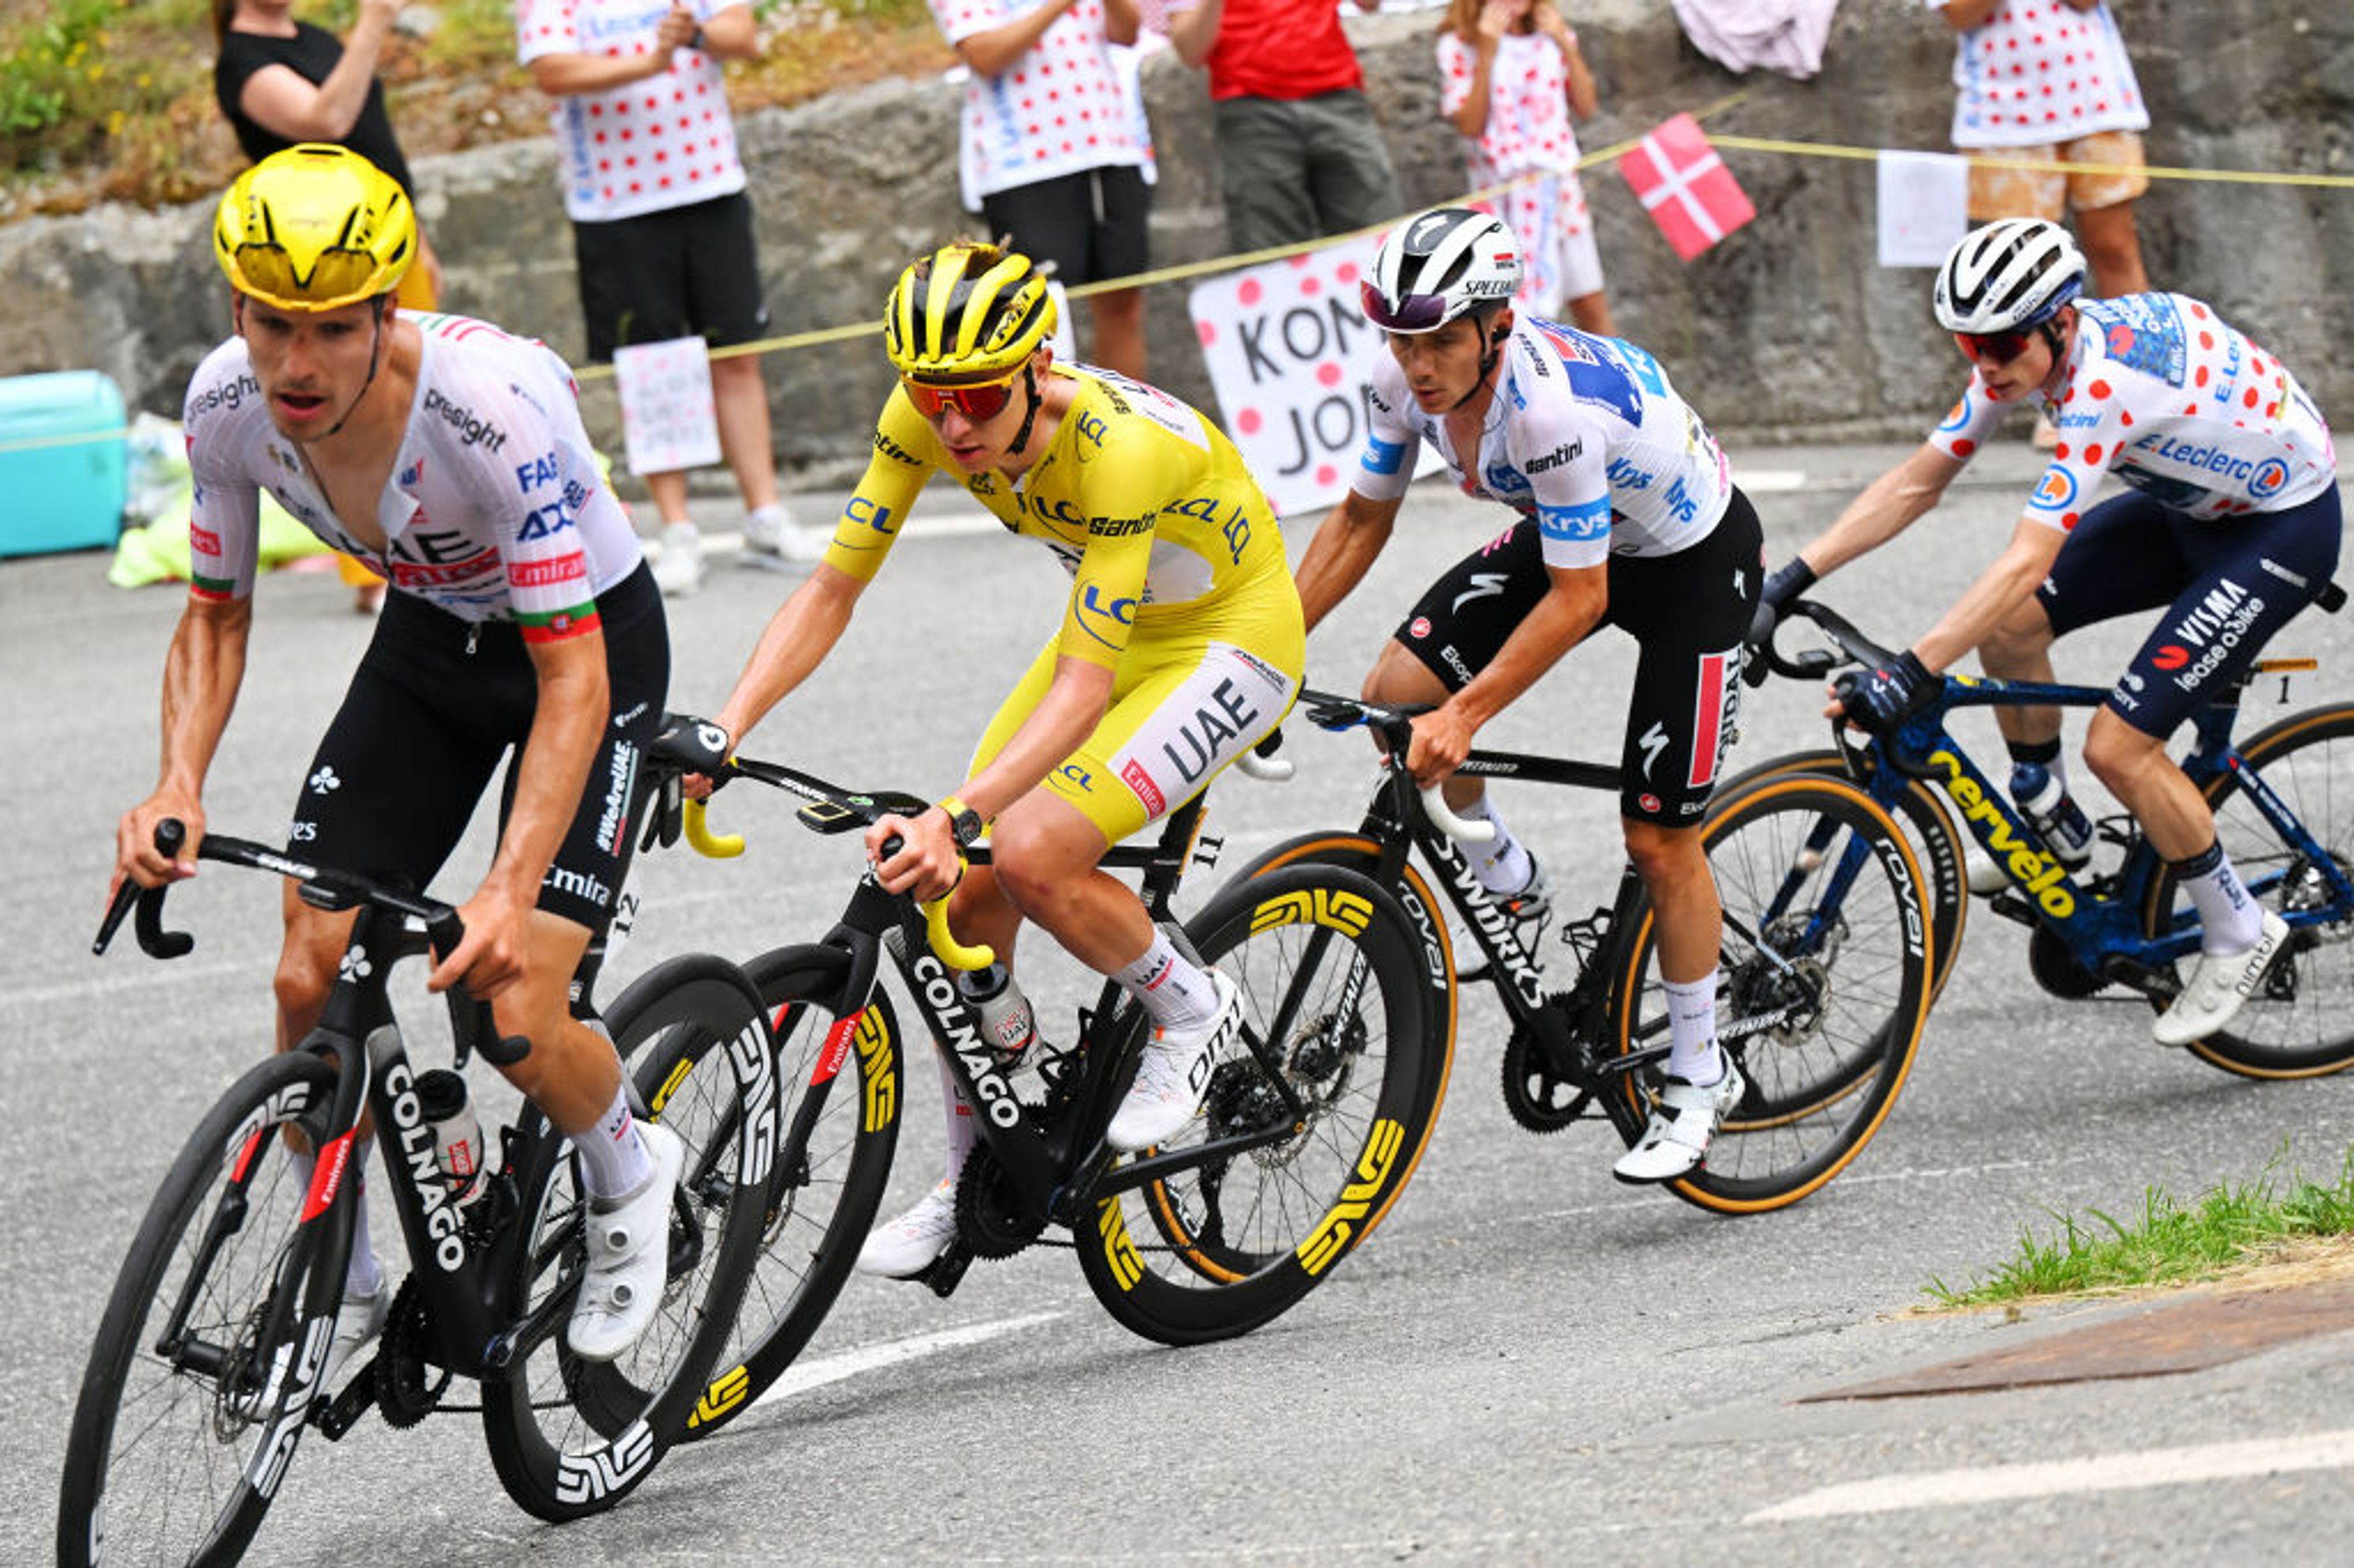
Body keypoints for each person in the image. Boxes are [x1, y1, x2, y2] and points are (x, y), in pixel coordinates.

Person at [112, 145, 688, 1382]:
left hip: (585, 648)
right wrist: (178, 783)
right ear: (237, 312)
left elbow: (573, 680)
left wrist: (505, 886)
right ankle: (350, 1268)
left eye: (330, 328)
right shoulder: (226, 405)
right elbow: (214, 613)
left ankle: (632, 1170)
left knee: (512, 1005)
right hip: (432, 635)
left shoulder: (489, 412)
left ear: (389, 309)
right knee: (310, 961)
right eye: (273, 325)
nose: (297, 364)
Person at [679, 240, 1305, 1277]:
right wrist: (729, 723)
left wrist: (956, 815)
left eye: (975, 395)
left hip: (1230, 637)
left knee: (1029, 849)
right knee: (963, 902)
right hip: (1120, 634)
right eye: (933, 399)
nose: (954, 425)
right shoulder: (920, 418)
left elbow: (1083, 688)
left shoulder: (1119, 448)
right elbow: (833, 587)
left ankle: (1193, 1007)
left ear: (1036, 366)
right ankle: (978, 1168)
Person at [1754, 218, 2340, 1048]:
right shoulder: (2033, 352)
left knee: (2120, 747)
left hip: (2281, 531)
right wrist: (1790, 580)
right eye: (1968, 345)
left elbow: (2028, 555)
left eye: (1999, 345)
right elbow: (1921, 481)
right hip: (2195, 507)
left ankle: (2243, 931)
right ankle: (2049, 815)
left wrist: (1913, 668)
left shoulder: (2105, 384)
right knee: (2012, 632)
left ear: (2062, 321)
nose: (1986, 366)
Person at [1293, 207, 1764, 1183]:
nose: (1418, 364)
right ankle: (1509, 872)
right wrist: (1266, 650)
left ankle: (1700, 1067)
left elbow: (1580, 597)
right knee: (1397, 696)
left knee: (1659, 836)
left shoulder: (1546, 411)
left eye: (1441, 342)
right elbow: (1357, 519)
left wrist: (1466, 716)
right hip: (1575, 533)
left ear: (1496, 328)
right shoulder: (1400, 379)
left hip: (1688, 562)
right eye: (1402, 339)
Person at [516, 0, 826, 595]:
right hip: (615, 203)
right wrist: (650, 61)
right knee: (654, 368)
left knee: (737, 355)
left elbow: (745, 35)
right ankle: (677, 527)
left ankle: (764, 513)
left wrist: (698, 34)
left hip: (709, 183)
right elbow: (554, 72)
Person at [213, 0, 445, 612]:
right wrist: (374, 23)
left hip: (383, 245)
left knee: (411, 401)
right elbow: (327, 119)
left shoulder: (312, 37)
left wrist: (418, 241)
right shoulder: (242, 60)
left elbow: (374, 139)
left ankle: (423, 555)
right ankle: (369, 572)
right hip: (320, 270)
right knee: (350, 412)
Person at [931, 0, 1152, 379]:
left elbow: (1127, 32)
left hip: (1109, 145)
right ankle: (1051, 435)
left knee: (1123, 307)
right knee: (1043, 323)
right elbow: (983, 54)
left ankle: (1123, 432)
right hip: (1024, 165)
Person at [1166, 0, 1405, 256]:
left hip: (1336, 94)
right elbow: (1190, 52)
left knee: (1380, 240)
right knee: (1270, 259)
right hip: (1252, 109)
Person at [1437, 0, 1612, 334]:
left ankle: (1618, 383)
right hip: (1501, 207)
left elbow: (1587, 105)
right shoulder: (1461, 46)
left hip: (1562, 200)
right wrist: (1487, 53)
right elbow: (1470, 125)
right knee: (1515, 323)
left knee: (1591, 306)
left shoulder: (1551, 36)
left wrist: (1563, 42)